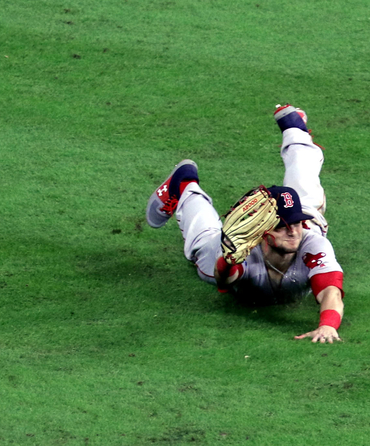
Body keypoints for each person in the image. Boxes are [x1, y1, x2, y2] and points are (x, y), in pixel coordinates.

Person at [145, 105, 345, 344]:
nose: (293, 231)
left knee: (307, 196)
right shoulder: (240, 248)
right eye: (282, 226)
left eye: (296, 223)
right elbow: (224, 282)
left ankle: (295, 130)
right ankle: (185, 185)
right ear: (262, 230)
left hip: (293, 226)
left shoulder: (311, 240)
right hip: (228, 257)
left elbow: (331, 290)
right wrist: (228, 262)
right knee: (204, 236)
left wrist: (327, 326)